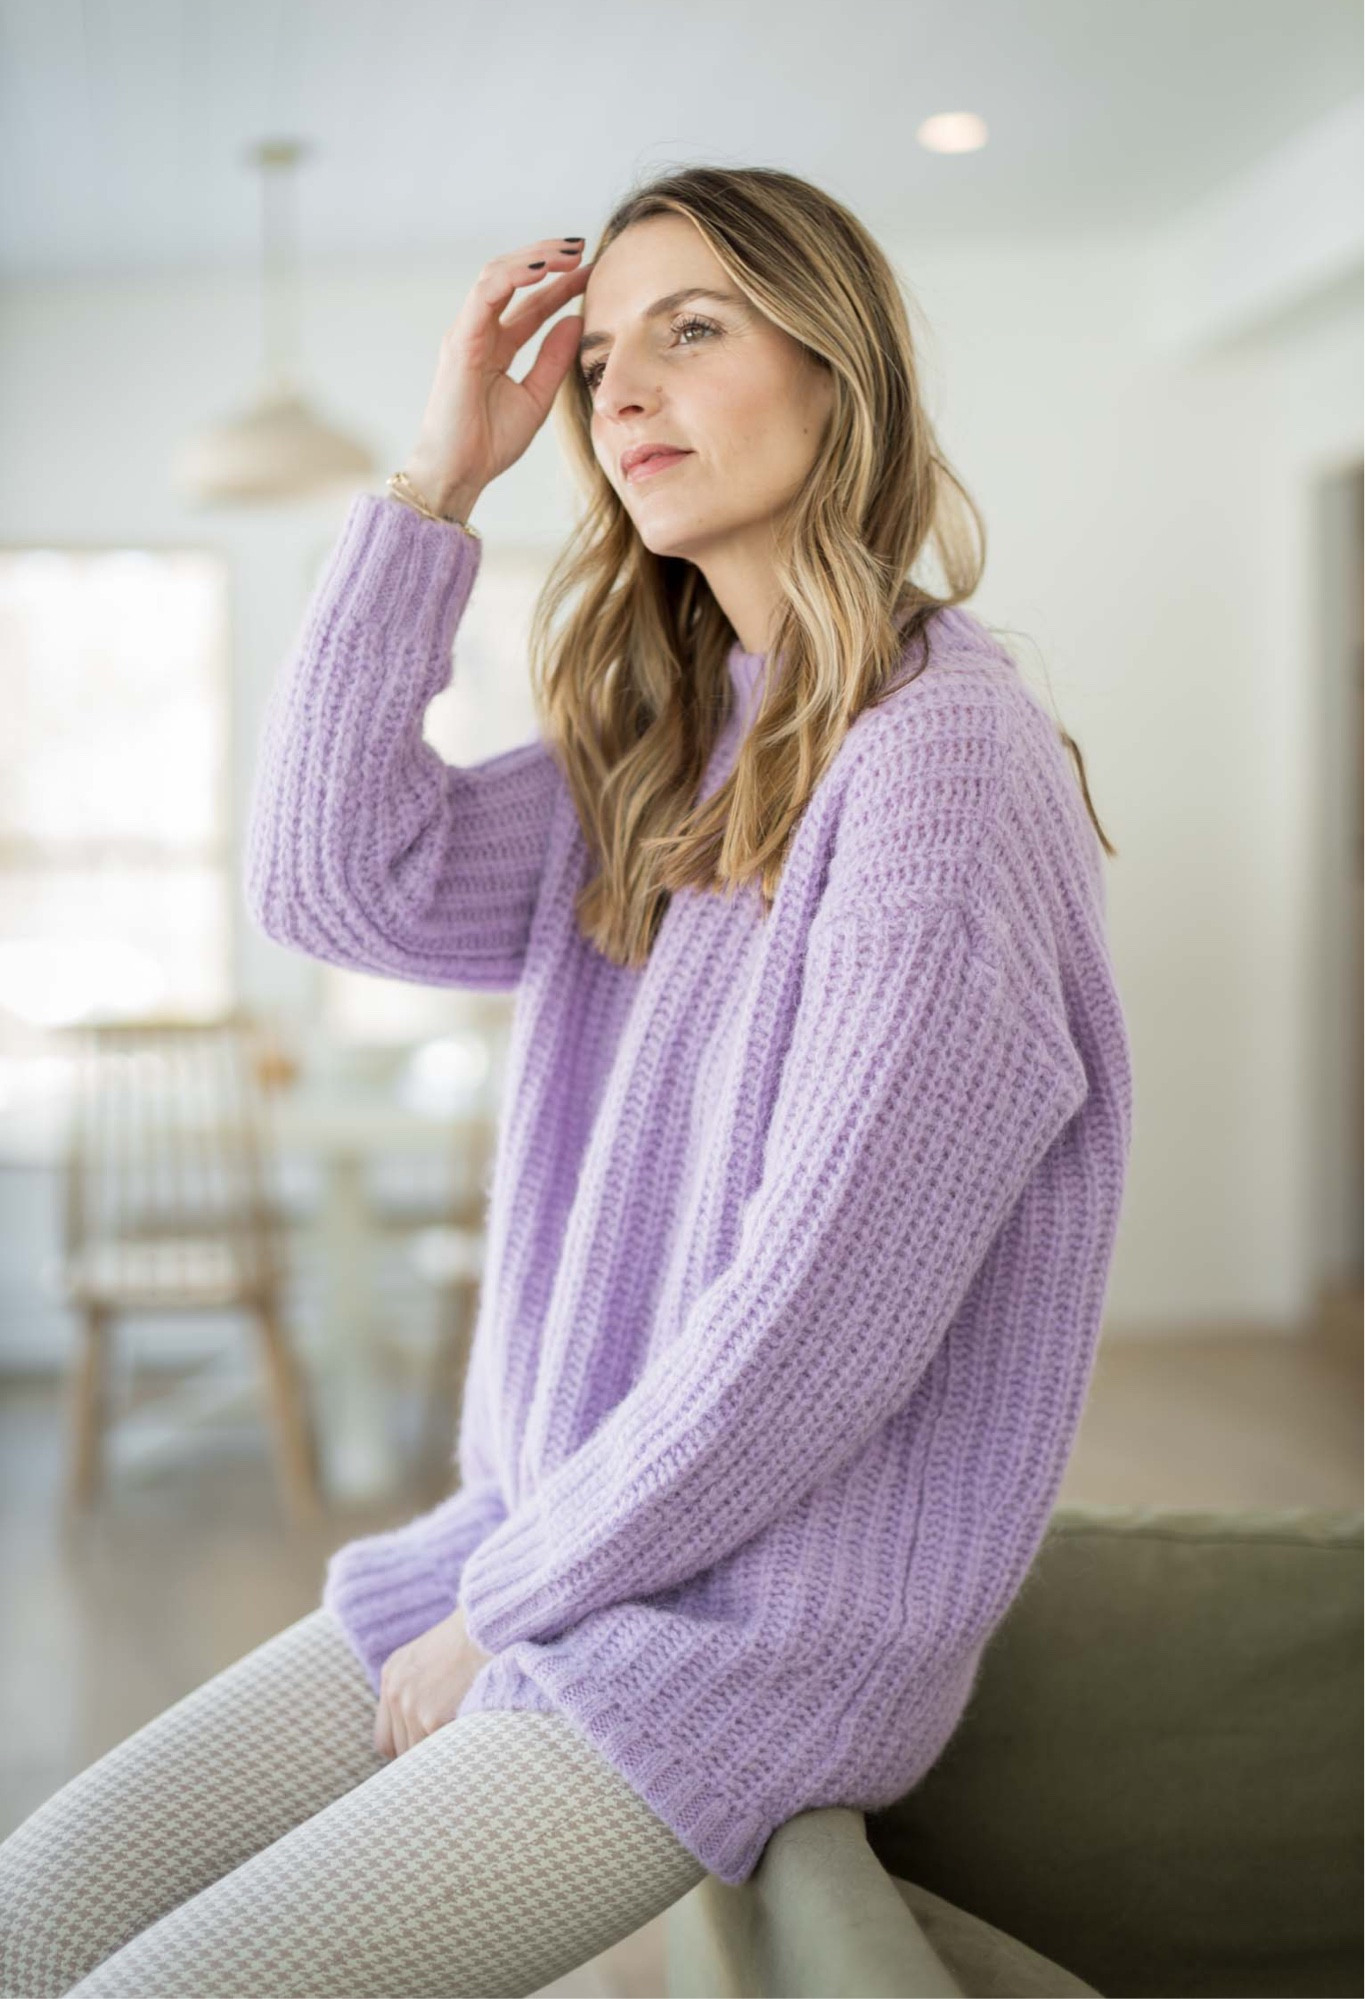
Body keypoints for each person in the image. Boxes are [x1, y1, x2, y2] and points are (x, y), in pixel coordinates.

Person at [0, 163, 1132, 1999]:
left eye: (694, 331)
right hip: (540, 1542)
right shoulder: (677, 744)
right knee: (35, 1907)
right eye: (600, 353)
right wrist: (434, 485)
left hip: (738, 1629)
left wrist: (511, 1606)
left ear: (839, 372)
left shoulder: (944, 763)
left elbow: (819, 1321)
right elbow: (327, 884)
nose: (619, 392)